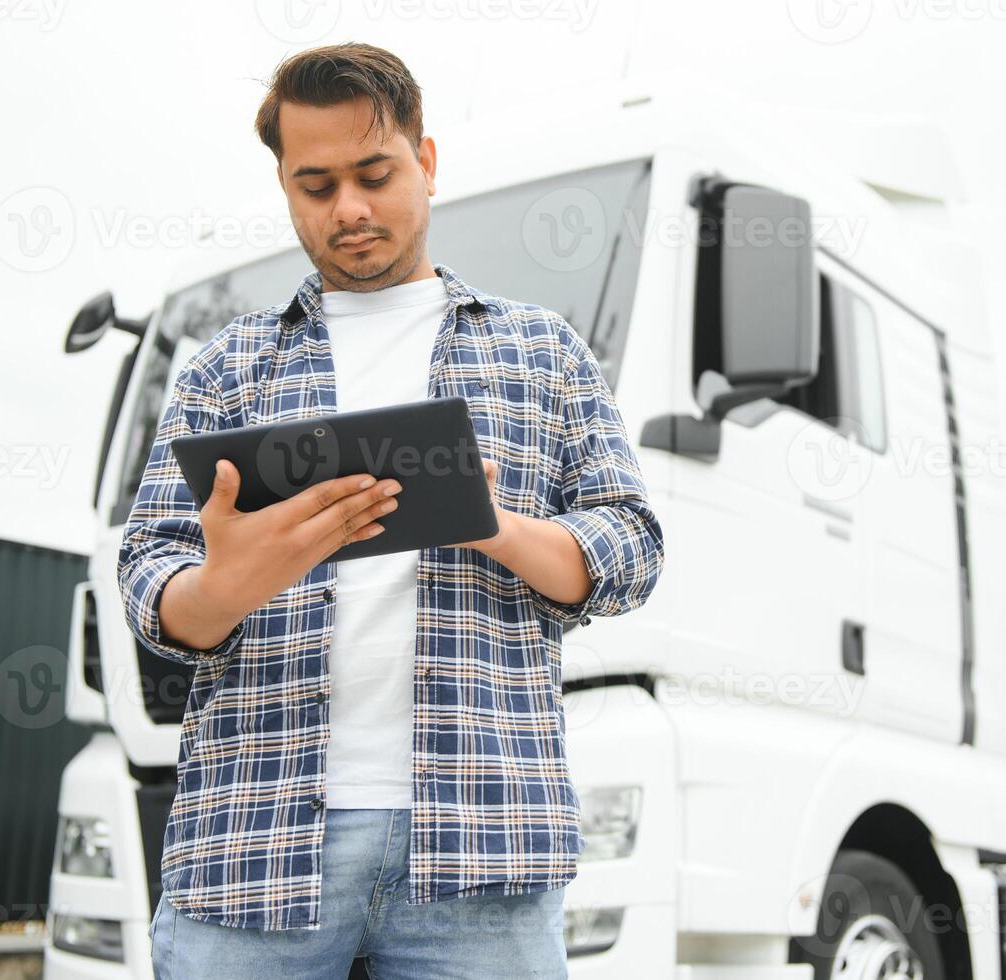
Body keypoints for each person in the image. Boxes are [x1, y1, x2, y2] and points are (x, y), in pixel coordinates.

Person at [118, 41, 665, 979]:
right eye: (316, 185)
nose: (351, 209)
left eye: (375, 174)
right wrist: (221, 589)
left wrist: (493, 523)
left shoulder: (541, 352)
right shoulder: (225, 366)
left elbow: (632, 548)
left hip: (481, 845)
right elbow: (149, 575)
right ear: (287, 190)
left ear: (428, 161)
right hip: (250, 840)